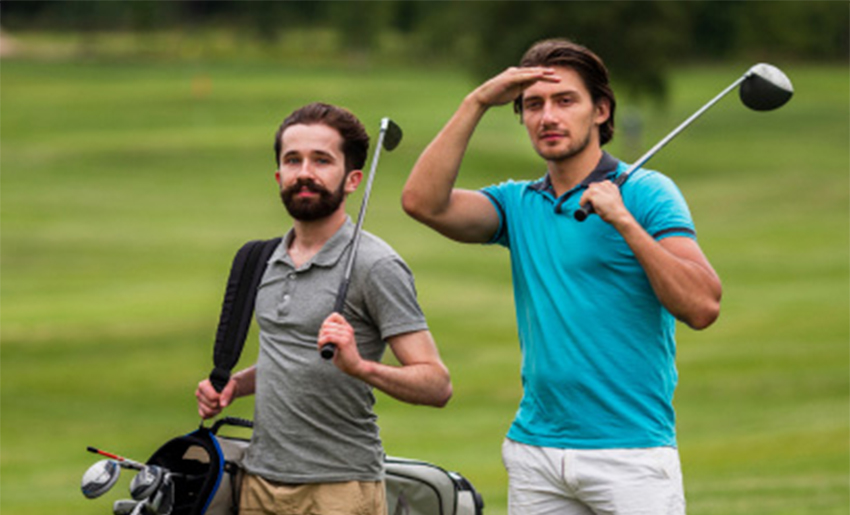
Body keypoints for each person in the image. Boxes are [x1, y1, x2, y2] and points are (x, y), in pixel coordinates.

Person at [402, 38, 721, 515]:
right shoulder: (517, 203)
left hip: (630, 453)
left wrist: (624, 222)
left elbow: (702, 306)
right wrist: (477, 102)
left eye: (565, 100)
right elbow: (422, 202)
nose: (547, 116)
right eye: (533, 105)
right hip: (536, 452)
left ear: (600, 111)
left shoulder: (647, 193)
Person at [196, 102, 452, 515]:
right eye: (292, 160)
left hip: (340, 489)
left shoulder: (375, 265)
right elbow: (295, 357)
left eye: (321, 160)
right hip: (258, 483)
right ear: (278, 176)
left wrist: (360, 367)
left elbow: (437, 385)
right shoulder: (259, 259)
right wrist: (235, 386)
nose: (304, 173)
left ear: (352, 179)